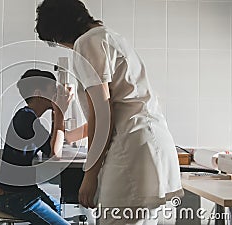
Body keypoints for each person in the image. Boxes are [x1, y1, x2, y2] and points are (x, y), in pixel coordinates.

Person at [35, 0, 184, 224]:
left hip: (132, 147)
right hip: (153, 143)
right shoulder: (110, 37)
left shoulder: (86, 43)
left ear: (60, 31)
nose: (65, 47)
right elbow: (111, 109)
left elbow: (103, 113)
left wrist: (90, 174)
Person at [0, 69, 71, 225]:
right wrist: (60, 112)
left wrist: (88, 128)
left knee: (57, 208)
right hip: (14, 197)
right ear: (38, 94)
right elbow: (55, 152)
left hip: (25, 192)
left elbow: (54, 145)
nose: (56, 95)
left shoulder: (29, 118)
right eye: (53, 90)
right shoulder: (26, 118)